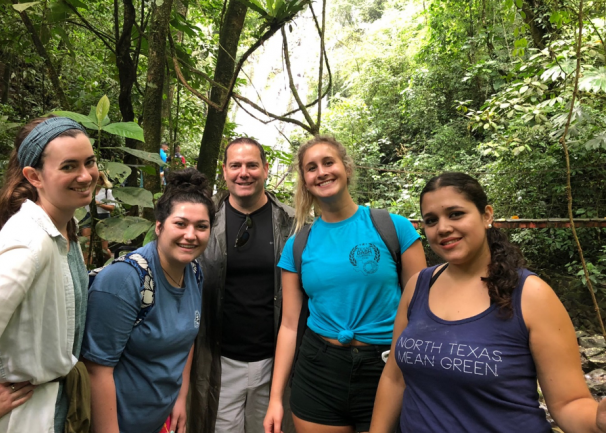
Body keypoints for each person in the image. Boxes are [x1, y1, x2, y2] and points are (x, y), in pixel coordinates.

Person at [370, 172, 606, 433]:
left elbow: (568, 403)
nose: (443, 227)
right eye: (431, 220)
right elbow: (394, 378)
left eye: (456, 213)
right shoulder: (418, 286)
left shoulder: (531, 295)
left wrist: (597, 420)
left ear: (486, 215)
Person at [264, 135, 427, 433]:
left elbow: (423, 313)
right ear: (304, 180)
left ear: (347, 168)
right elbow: (288, 325)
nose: (321, 172)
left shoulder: (395, 228)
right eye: (311, 168)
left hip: (386, 369)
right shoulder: (297, 245)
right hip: (318, 372)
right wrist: (275, 398)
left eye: (328, 162)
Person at [0, 116, 98, 433]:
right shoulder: (29, 243)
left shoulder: (65, 230)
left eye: (90, 162)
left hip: (49, 408)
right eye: (69, 166)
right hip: (16, 419)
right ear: (34, 176)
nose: (85, 175)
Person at [82, 168, 215, 433]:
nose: (191, 235)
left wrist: (180, 397)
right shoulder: (124, 280)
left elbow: (186, 337)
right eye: (181, 223)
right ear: (159, 226)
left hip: (158, 420)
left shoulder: (194, 271)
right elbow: (97, 370)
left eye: (201, 226)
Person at [188, 138, 297, 433]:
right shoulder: (202, 221)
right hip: (219, 361)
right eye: (235, 165)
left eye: (252, 165)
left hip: (274, 362)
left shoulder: (292, 223)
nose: (243, 173)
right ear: (224, 171)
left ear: (265, 170)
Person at [80, 171, 115, 262]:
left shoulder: (107, 192)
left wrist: (99, 204)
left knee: (104, 249)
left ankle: (110, 263)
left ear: (102, 180)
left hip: (103, 217)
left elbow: (111, 208)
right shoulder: (86, 191)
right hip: (88, 216)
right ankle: (87, 270)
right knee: (87, 247)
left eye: (98, 179)